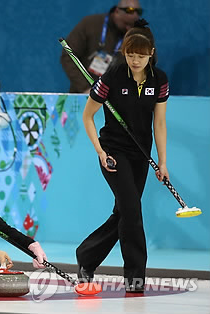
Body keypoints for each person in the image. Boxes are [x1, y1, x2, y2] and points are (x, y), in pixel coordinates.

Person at [76, 19, 169, 293]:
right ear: (124, 53)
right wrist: (100, 151)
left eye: (140, 55)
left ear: (151, 53)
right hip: (114, 153)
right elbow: (88, 116)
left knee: (124, 213)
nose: (135, 60)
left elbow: (159, 124)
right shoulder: (113, 77)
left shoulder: (159, 80)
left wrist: (162, 161)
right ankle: (135, 279)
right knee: (132, 212)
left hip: (141, 154)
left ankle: (87, 256)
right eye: (130, 55)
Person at [60, 0, 142, 93]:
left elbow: (146, 68)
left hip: (118, 99)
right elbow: (68, 56)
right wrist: (85, 88)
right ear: (117, 11)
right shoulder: (90, 24)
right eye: (126, 24)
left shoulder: (138, 35)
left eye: (131, 25)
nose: (128, 29)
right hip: (84, 95)